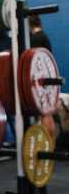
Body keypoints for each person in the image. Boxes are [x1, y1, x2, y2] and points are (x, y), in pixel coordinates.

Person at [29, 15, 56, 145]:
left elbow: (32, 62)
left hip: (41, 79)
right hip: (49, 77)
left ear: (29, 24)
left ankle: (46, 145)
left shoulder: (35, 39)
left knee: (42, 112)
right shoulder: (44, 36)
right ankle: (52, 144)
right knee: (48, 112)